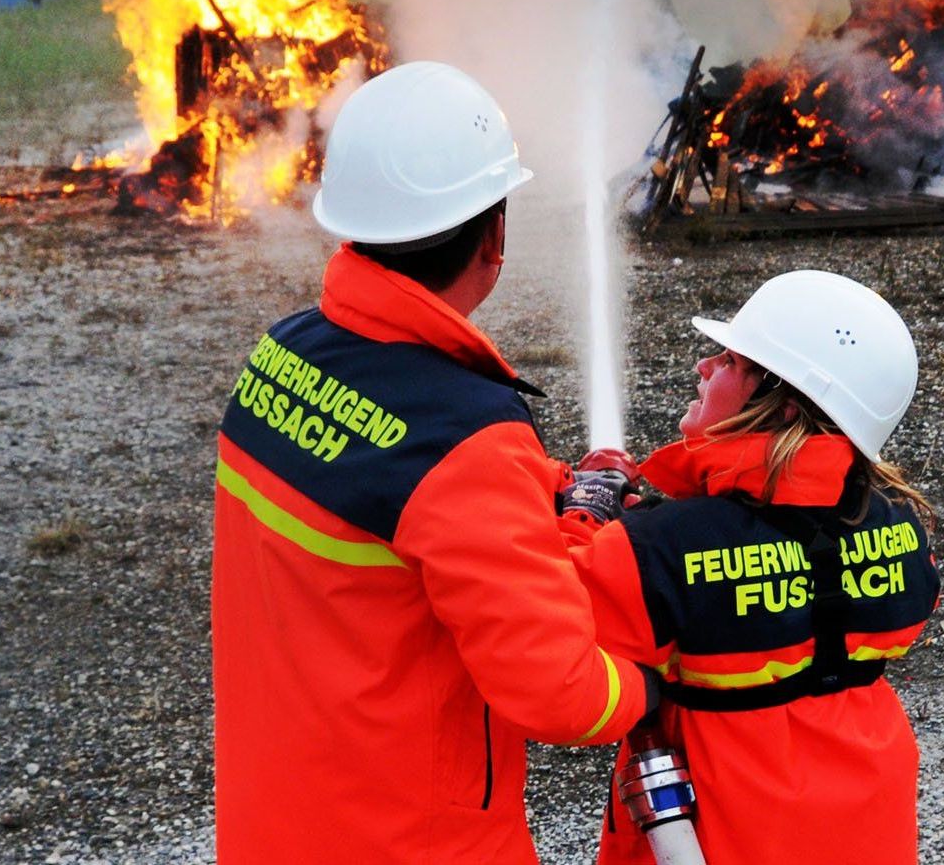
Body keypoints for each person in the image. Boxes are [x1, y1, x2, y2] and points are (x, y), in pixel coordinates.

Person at [213, 61, 655, 864]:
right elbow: (562, 697)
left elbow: (398, 516)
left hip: (277, 819)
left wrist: (558, 488)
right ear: (494, 235)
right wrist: (648, 682)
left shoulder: (279, 356)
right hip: (411, 838)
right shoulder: (463, 436)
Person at [568, 270, 941, 865]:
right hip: (868, 831)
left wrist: (583, 517)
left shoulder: (659, 549)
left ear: (782, 407)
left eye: (731, 360)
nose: (704, 367)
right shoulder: (898, 523)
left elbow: (550, 629)